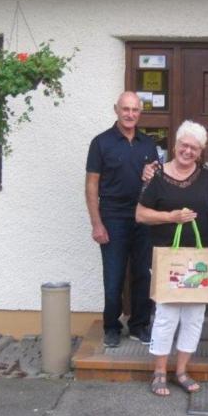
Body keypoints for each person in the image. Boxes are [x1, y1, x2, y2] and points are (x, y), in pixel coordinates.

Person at [136, 120, 208, 396]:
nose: (188, 151)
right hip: (167, 255)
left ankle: (181, 370)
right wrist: (171, 217)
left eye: (194, 147)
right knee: (167, 315)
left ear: (201, 151)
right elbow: (141, 214)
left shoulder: (206, 175)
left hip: (199, 255)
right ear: (175, 145)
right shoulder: (157, 176)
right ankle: (159, 371)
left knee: (194, 316)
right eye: (184, 145)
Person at [85, 91, 159, 348]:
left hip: (143, 217)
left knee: (143, 274)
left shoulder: (148, 144)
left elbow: (155, 183)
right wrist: (97, 223)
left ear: (140, 112)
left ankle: (139, 325)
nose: (130, 114)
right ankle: (112, 327)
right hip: (113, 217)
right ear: (116, 109)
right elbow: (91, 186)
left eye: (135, 110)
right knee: (114, 276)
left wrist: (152, 176)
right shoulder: (101, 143)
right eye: (125, 109)